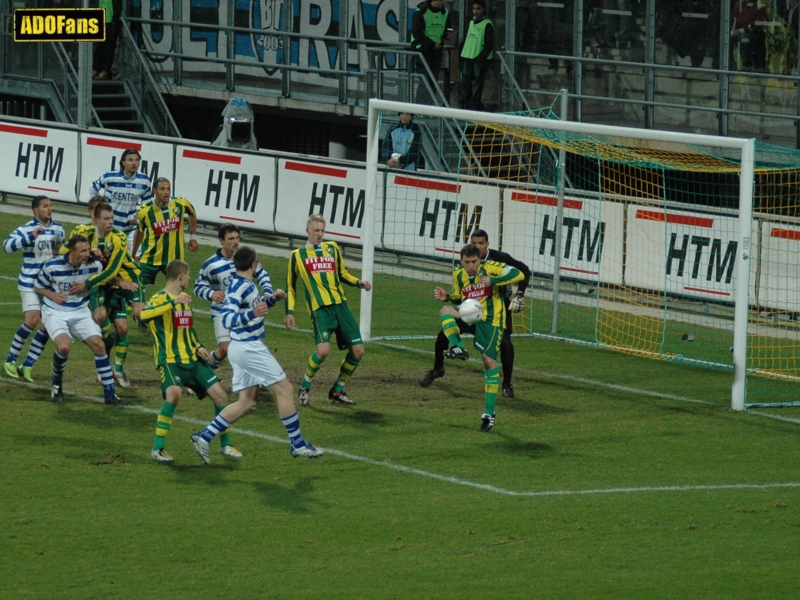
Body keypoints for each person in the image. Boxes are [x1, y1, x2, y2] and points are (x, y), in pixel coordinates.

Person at [191, 246, 323, 463]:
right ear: (253, 264)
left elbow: (253, 308)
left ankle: (203, 436)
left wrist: (273, 300)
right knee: (286, 389)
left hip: (241, 348)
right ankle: (297, 444)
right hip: (249, 347)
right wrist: (253, 313)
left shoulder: (244, 284)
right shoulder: (239, 288)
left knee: (248, 403)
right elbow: (227, 319)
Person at [139, 260, 242, 463]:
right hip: (170, 360)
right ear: (180, 277)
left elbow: (187, 328)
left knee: (221, 396)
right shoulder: (159, 297)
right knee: (174, 395)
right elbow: (143, 314)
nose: (189, 278)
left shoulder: (184, 299)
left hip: (192, 360)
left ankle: (226, 445)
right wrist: (171, 303)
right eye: (188, 275)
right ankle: (157, 449)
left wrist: (198, 346)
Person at [420, 229, 531, 399]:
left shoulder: (497, 260)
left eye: (481, 243)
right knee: (443, 335)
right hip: (471, 309)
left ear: (487, 244)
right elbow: (461, 296)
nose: (477, 247)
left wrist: (519, 295)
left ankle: (507, 385)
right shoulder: (460, 271)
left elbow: (522, 271)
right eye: (474, 243)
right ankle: (437, 369)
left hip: (496, 310)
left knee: (506, 344)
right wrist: (447, 297)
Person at [432, 243, 523, 432]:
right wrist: (447, 297)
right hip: (471, 313)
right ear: (461, 261)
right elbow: (461, 296)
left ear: (479, 259)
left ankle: (489, 414)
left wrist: (494, 282)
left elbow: (519, 274)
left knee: (488, 361)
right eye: (467, 262)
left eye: (474, 261)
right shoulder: (458, 274)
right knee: (445, 311)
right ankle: (458, 347)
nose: (471, 266)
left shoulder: (491, 268)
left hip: (492, 321)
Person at [284, 214, 372, 406]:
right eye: (316, 230)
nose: (320, 234)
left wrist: (359, 283)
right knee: (323, 351)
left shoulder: (332, 248)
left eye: (323, 230)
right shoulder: (297, 256)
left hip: (341, 306)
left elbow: (341, 274)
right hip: (320, 310)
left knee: (358, 351)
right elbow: (291, 286)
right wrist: (289, 311)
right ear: (308, 231)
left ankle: (337, 390)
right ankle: (305, 386)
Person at [33, 234, 124, 405]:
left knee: (99, 345)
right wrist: (52, 295)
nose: (86, 254)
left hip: (80, 311)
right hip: (54, 311)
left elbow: (107, 277)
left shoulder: (94, 265)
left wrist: (120, 282)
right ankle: (56, 385)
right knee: (64, 347)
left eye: (88, 249)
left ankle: (110, 395)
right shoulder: (53, 266)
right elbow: (38, 286)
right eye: (83, 251)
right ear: (71, 252)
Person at [63, 200, 144, 388]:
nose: (110, 222)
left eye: (112, 218)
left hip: (116, 281)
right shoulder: (84, 234)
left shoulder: (119, 238)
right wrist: (90, 251)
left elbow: (114, 269)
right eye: (106, 219)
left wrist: (87, 283)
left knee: (123, 328)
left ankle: (118, 369)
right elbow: (63, 250)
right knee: (100, 319)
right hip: (100, 283)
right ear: (96, 220)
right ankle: (104, 363)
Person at [193, 223, 275, 368]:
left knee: (250, 348)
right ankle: (202, 374)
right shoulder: (212, 264)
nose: (236, 242)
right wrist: (211, 293)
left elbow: (263, 275)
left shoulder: (245, 257)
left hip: (245, 312)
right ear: (221, 240)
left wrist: (267, 291)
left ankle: (256, 379)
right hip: (222, 312)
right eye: (231, 239)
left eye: (237, 238)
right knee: (225, 349)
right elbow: (198, 286)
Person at [3, 196, 66, 383]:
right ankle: (10, 360)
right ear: (35, 210)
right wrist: (30, 237)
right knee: (32, 319)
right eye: (45, 206)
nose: (49, 209)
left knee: (46, 326)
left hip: (48, 285)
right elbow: (6, 246)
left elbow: (62, 254)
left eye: (50, 206)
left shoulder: (59, 229)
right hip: (30, 283)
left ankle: (28, 364)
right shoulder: (26, 229)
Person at [132, 177, 198, 292]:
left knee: (177, 290)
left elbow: (192, 213)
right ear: (155, 191)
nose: (166, 192)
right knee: (135, 286)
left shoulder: (180, 203)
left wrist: (193, 237)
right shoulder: (145, 210)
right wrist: (133, 254)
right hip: (150, 257)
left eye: (168, 189)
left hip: (175, 258)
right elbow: (140, 231)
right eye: (162, 189)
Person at [90, 148, 153, 255]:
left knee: (134, 259)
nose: (134, 163)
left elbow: (146, 202)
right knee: (105, 257)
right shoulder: (110, 176)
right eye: (130, 160)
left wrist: (140, 216)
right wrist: (97, 210)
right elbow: (93, 188)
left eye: (136, 160)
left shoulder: (144, 181)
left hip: (131, 228)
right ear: (123, 162)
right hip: (110, 226)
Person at [411, 0, 453, 100]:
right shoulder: (420, 12)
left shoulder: (445, 12)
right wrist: (431, 44)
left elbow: (447, 28)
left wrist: (447, 35)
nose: (443, 2)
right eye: (441, 0)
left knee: (433, 79)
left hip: (436, 51)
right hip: (423, 50)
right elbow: (417, 33)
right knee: (425, 79)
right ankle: (421, 107)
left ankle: (430, 106)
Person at [459, 0, 493, 111]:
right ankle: (470, 104)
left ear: (483, 9)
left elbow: (489, 44)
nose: (476, 11)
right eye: (474, 9)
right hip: (468, 57)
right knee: (464, 83)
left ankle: (475, 107)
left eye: (478, 9)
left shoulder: (487, 24)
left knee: (477, 85)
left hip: (479, 59)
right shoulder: (471, 22)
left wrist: (480, 59)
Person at [732, 0, 767, 70]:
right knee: (726, 37)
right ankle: (730, 64)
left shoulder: (758, 5)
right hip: (738, 32)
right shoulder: (738, 5)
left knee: (744, 39)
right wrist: (731, 31)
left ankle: (746, 64)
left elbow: (757, 25)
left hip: (754, 34)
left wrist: (740, 31)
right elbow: (733, 20)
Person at [92, 0, 122, 80]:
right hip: (103, 22)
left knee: (109, 49)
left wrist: (114, 22)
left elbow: (117, 8)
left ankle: (105, 71)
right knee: (99, 48)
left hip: (111, 24)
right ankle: (97, 69)